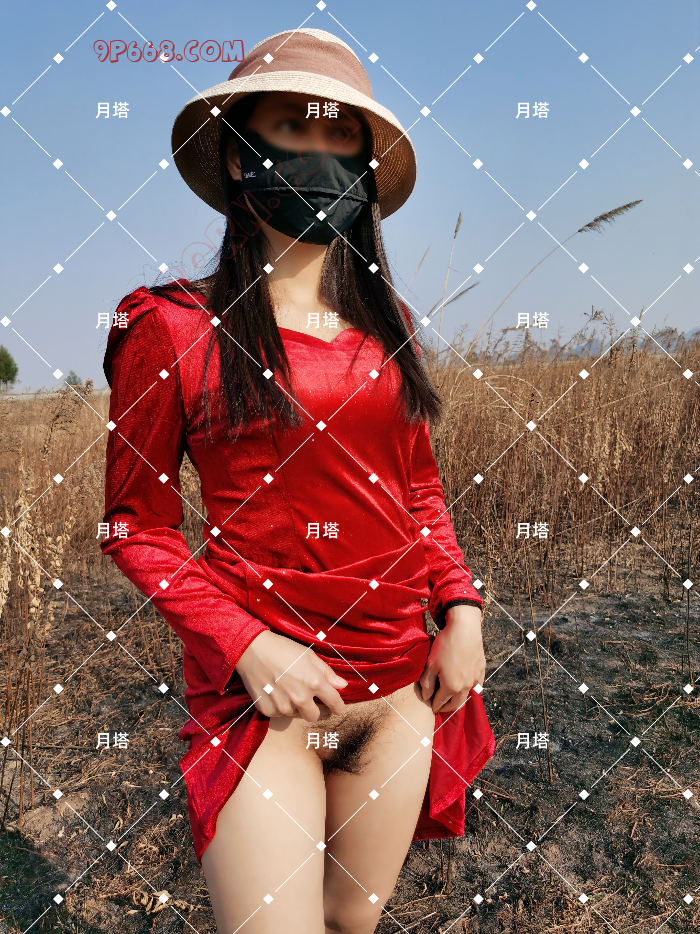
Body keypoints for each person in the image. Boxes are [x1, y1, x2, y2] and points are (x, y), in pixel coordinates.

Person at [100, 28, 495, 934]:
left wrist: (463, 610)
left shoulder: (388, 324)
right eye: (292, 128)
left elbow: (418, 493)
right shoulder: (170, 328)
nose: (319, 155)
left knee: (351, 919)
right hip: (263, 701)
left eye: (341, 136)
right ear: (242, 157)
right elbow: (135, 526)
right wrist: (247, 645)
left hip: (399, 691)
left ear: (366, 167)